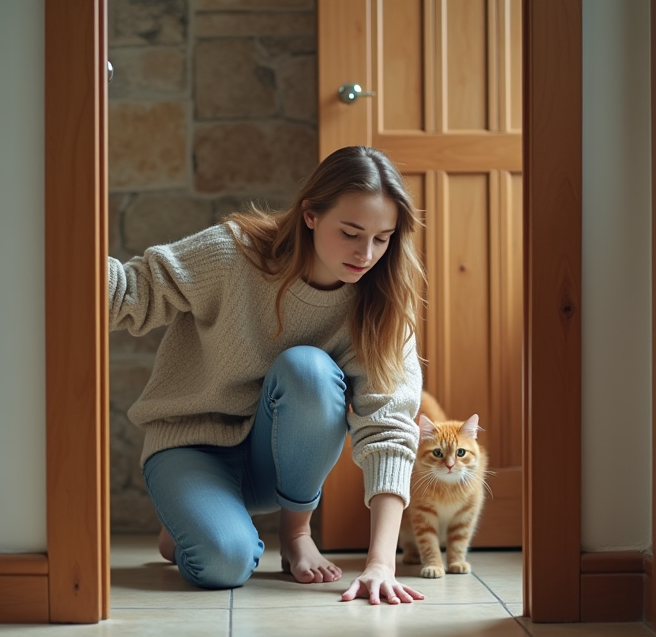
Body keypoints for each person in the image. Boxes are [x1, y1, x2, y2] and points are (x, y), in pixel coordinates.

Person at [108, 145, 426, 605]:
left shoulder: (382, 308)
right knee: (224, 564)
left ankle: (297, 534)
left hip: (272, 463)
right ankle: (190, 522)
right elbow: (132, 291)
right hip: (189, 445)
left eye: (383, 238)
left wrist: (381, 563)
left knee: (308, 369)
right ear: (310, 215)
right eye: (352, 233)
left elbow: (390, 429)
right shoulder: (232, 254)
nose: (366, 253)